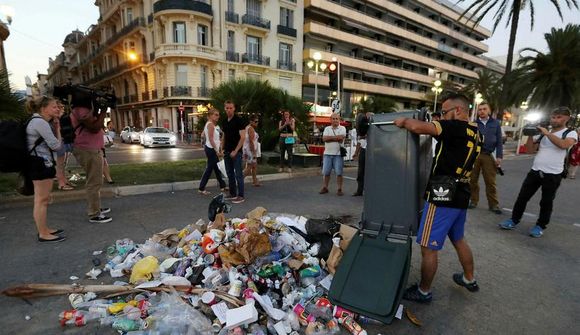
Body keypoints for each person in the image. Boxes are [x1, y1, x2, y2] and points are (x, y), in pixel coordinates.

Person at [394, 93, 482, 303]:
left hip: (444, 193)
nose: (441, 117)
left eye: (444, 112)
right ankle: (469, 278)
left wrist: (404, 121)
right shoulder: (476, 132)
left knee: (428, 246)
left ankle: (423, 291)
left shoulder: (454, 127)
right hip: (462, 193)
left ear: (458, 111)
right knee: (458, 239)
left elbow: (417, 128)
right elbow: (449, 143)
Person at [499, 107, 578, 237]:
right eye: (553, 117)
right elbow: (530, 150)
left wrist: (547, 133)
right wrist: (530, 135)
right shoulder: (543, 133)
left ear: (567, 118)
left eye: (559, 117)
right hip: (535, 171)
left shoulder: (570, 133)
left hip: (553, 174)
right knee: (522, 197)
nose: (555, 120)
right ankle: (513, 220)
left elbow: (564, 145)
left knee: (546, 202)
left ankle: (540, 226)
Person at [25, 96, 66, 242]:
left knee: (43, 199)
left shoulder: (38, 121)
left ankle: (44, 229)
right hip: (40, 164)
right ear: (44, 108)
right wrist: (58, 130)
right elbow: (56, 146)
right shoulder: (40, 123)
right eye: (54, 106)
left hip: (39, 163)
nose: (57, 109)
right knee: (41, 200)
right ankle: (43, 233)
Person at [71, 101, 112, 223]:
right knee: (94, 182)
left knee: (97, 180)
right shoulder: (81, 109)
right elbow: (94, 128)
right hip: (88, 149)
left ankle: (96, 207)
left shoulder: (85, 109)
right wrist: (103, 111)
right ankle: (94, 213)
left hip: (92, 148)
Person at [468, 102, 504, 214]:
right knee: (472, 180)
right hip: (475, 155)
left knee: (490, 182)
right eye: (480, 109)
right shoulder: (473, 124)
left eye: (484, 109)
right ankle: (473, 201)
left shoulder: (496, 124)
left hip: (489, 155)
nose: (482, 111)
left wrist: (499, 157)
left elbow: (499, 142)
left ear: (489, 111)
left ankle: (494, 204)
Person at [221, 100, 246, 204]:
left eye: (231, 108)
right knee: (229, 173)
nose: (229, 110)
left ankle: (240, 195)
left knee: (238, 174)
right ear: (225, 108)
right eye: (227, 108)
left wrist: (236, 151)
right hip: (227, 151)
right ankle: (232, 193)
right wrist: (222, 148)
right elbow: (224, 135)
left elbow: (243, 137)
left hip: (236, 152)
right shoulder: (224, 121)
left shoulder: (239, 121)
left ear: (234, 108)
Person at [198, 108, 227, 195]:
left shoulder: (213, 125)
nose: (218, 116)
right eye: (216, 115)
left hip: (212, 148)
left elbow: (205, 135)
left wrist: (219, 147)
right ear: (210, 116)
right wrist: (216, 150)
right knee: (209, 169)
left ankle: (222, 186)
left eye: (218, 115)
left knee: (216, 168)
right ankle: (201, 188)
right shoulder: (210, 125)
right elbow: (210, 139)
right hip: (211, 149)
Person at [319, 113, 346, 196]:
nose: (335, 120)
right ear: (330, 120)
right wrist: (336, 138)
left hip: (338, 154)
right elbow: (324, 139)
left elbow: (341, 138)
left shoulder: (343, 128)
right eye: (333, 119)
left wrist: (330, 138)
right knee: (326, 172)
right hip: (327, 154)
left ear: (339, 120)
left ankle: (339, 189)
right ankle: (325, 187)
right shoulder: (327, 128)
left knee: (339, 173)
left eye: (336, 119)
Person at [55, 101, 75, 191]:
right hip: (61, 141)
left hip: (65, 141)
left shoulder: (61, 117)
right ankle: (61, 183)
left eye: (62, 107)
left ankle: (64, 180)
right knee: (60, 164)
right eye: (60, 107)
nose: (62, 109)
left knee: (63, 163)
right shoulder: (56, 118)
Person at [352, 111, 372, 196]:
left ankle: (370, 190)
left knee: (370, 172)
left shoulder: (373, 127)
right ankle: (359, 191)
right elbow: (360, 141)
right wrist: (356, 153)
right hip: (364, 151)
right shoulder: (363, 128)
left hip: (372, 151)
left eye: (369, 117)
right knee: (360, 172)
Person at [243, 115, 261, 187]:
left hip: (247, 150)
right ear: (251, 121)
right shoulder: (251, 129)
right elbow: (251, 141)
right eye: (255, 121)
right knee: (249, 167)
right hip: (250, 150)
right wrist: (254, 152)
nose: (257, 123)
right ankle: (238, 180)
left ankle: (255, 181)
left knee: (254, 166)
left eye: (257, 121)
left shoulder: (247, 127)